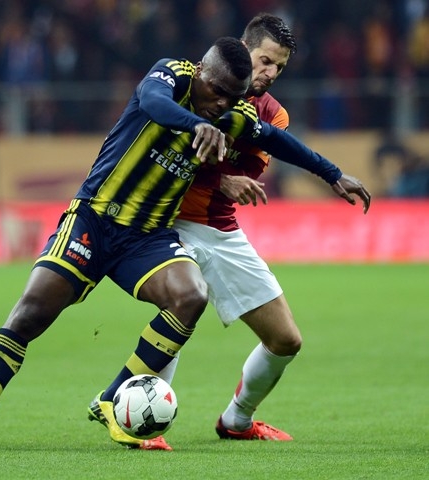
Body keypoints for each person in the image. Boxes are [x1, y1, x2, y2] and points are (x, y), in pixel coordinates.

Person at [0, 36, 252, 453]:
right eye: (218, 91)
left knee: (190, 295)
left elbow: (277, 139)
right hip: (94, 219)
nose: (223, 103)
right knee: (29, 314)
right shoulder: (171, 75)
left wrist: (329, 172)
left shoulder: (232, 118)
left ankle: (111, 398)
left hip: (145, 237)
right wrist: (194, 125)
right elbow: (153, 103)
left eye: (233, 97)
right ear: (201, 71)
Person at [169, 13, 371, 444]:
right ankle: (139, 421)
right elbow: (159, 150)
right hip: (166, 221)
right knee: (177, 312)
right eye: (265, 61)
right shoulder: (196, 84)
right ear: (243, 49)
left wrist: (330, 175)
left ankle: (237, 420)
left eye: (279, 66)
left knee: (286, 340)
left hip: (218, 228)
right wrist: (221, 179)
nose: (271, 73)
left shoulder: (274, 115)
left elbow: (246, 172)